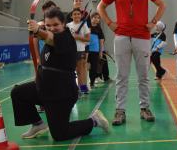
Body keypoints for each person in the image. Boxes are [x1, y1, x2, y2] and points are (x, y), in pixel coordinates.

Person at [10, 8, 109, 141]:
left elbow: (50, 37)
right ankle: (38, 124)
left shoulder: (66, 38)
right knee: (18, 93)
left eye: (56, 25)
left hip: (61, 94)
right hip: (44, 88)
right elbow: (46, 36)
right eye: (48, 25)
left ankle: (93, 121)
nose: (52, 28)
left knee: (59, 134)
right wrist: (39, 30)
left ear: (63, 24)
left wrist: (38, 31)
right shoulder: (48, 38)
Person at [97, 0, 166, 125]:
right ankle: (120, 111)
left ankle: (145, 109)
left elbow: (161, 5)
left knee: (144, 76)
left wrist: (153, 23)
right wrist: (109, 23)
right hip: (121, 37)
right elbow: (100, 7)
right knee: (122, 76)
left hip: (142, 38)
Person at [34, 0, 57, 113]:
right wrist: (38, 57)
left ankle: (55, 103)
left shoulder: (55, 23)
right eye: (48, 9)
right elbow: (35, 41)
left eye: (53, 8)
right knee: (42, 82)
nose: (51, 11)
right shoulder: (40, 24)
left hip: (53, 55)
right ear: (43, 11)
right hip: (43, 55)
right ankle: (42, 104)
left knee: (54, 80)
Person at [66, 0, 92, 93]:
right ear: (71, 16)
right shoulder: (68, 25)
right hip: (70, 50)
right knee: (72, 70)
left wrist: (79, 38)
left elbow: (88, 38)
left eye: (78, 14)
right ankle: (73, 88)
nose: (76, 15)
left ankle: (82, 88)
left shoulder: (84, 25)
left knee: (80, 70)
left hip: (80, 50)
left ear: (81, 16)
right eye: (74, 14)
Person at [88, 12, 105, 88]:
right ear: (91, 18)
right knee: (85, 66)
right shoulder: (87, 26)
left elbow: (101, 40)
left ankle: (92, 82)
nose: (96, 19)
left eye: (98, 18)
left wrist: (100, 52)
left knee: (94, 67)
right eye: (95, 17)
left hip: (95, 50)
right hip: (86, 49)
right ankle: (83, 84)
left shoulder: (99, 28)